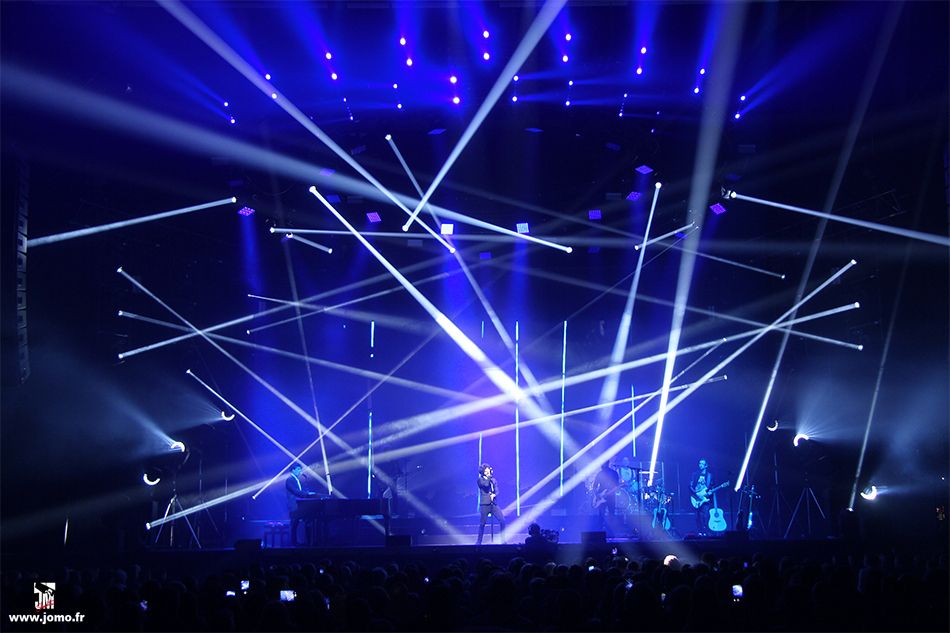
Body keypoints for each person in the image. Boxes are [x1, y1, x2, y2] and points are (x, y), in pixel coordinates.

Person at [476, 464, 506, 545]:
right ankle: (478, 542)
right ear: (483, 471)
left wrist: (494, 494)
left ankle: (503, 541)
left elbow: (497, 490)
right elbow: (486, 485)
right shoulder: (480, 480)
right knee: (482, 524)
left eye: (488, 469)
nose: (487, 470)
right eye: (485, 470)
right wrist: (489, 477)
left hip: (493, 504)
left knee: (502, 520)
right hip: (484, 504)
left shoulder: (493, 480)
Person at [286, 464, 315, 546]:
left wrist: (307, 493)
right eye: (298, 469)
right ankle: (293, 543)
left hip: (299, 504)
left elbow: (300, 491)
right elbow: (295, 491)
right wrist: (306, 494)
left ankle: (306, 542)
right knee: (294, 524)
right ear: (293, 470)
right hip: (294, 505)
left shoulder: (297, 480)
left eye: (300, 469)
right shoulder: (289, 480)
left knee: (300, 523)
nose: (300, 471)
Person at [592, 462, 620, 533]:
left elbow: (616, 486)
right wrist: (597, 495)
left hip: (611, 496)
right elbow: (594, 486)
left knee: (610, 514)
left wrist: (610, 492)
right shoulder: (600, 474)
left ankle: (610, 531)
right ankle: (601, 531)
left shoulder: (613, 473)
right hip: (602, 496)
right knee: (603, 514)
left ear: (606, 464)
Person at [689, 458, 713, 535]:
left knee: (706, 515)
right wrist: (695, 492)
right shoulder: (695, 474)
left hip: (705, 498)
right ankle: (699, 531)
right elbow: (690, 485)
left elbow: (711, 486)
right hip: (696, 498)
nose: (700, 465)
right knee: (697, 516)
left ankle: (706, 531)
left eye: (702, 463)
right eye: (699, 463)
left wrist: (710, 492)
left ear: (706, 465)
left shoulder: (709, 476)